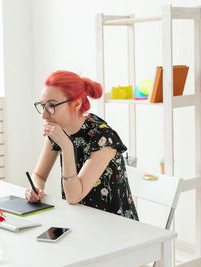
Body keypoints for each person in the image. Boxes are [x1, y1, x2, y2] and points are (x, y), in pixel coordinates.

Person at [25, 70, 139, 220]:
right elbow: (39, 175)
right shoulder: (58, 130)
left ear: (76, 103)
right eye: (42, 106)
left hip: (117, 227)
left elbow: (73, 197)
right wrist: (35, 189)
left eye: (51, 106)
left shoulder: (103, 138)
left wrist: (66, 146)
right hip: (81, 221)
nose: (44, 115)